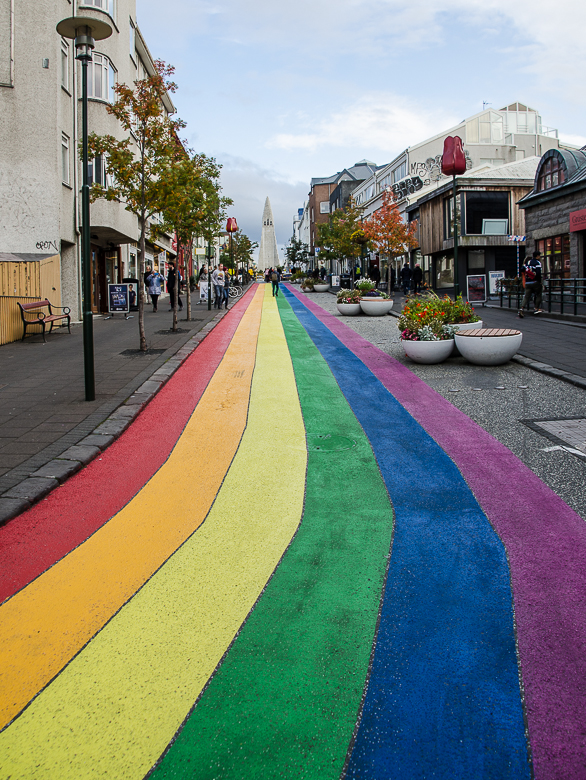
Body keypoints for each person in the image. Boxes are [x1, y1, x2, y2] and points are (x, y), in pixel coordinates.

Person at [518, 251, 544, 317]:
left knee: (527, 296)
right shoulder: (537, 263)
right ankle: (536, 308)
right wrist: (539, 281)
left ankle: (521, 308)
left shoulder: (528, 262)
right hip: (535, 281)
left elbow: (522, 269)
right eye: (539, 256)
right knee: (538, 294)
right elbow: (538, 273)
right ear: (537, 256)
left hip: (527, 282)